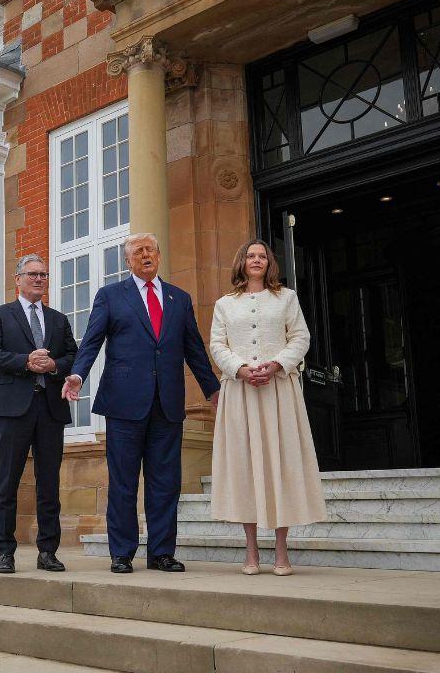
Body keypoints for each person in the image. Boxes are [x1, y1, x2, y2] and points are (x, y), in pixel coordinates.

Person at [64, 233, 219, 574]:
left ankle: (162, 553)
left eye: (150, 249)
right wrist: (78, 375)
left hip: (167, 403)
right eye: (138, 251)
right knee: (123, 481)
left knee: (166, 481)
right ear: (127, 260)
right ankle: (122, 552)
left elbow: (193, 348)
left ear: (159, 256)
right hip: (124, 403)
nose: (145, 254)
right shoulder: (110, 296)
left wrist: (212, 389)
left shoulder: (179, 299)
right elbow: (91, 342)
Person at [209, 240, 326, 576]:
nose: (256, 260)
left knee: (280, 465)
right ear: (242, 263)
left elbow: (300, 338)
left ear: (269, 263)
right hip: (240, 394)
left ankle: (281, 552)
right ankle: (250, 553)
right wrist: (240, 369)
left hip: (278, 391)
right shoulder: (224, 304)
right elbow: (217, 344)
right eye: (250, 255)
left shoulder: (286, 298)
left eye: (262, 256)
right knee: (245, 467)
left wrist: (276, 364)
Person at [0, 254, 77, 574]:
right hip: (12, 409)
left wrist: (54, 365)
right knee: (6, 481)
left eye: (43, 275)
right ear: (18, 279)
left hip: (50, 408)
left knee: (48, 483)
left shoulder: (59, 320)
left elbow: (72, 358)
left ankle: (48, 551)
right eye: (32, 274)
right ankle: (4, 552)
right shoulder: (0, 315)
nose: (39, 279)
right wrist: (26, 361)